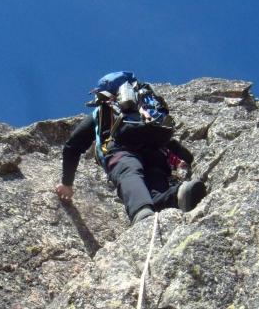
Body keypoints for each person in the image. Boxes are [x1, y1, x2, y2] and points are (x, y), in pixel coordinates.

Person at [55, 71, 205, 224]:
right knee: (155, 186)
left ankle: (142, 213)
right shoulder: (143, 110)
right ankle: (177, 195)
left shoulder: (102, 111)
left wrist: (67, 183)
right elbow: (169, 142)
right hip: (155, 154)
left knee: (128, 172)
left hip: (120, 151)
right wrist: (190, 159)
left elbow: (72, 146)